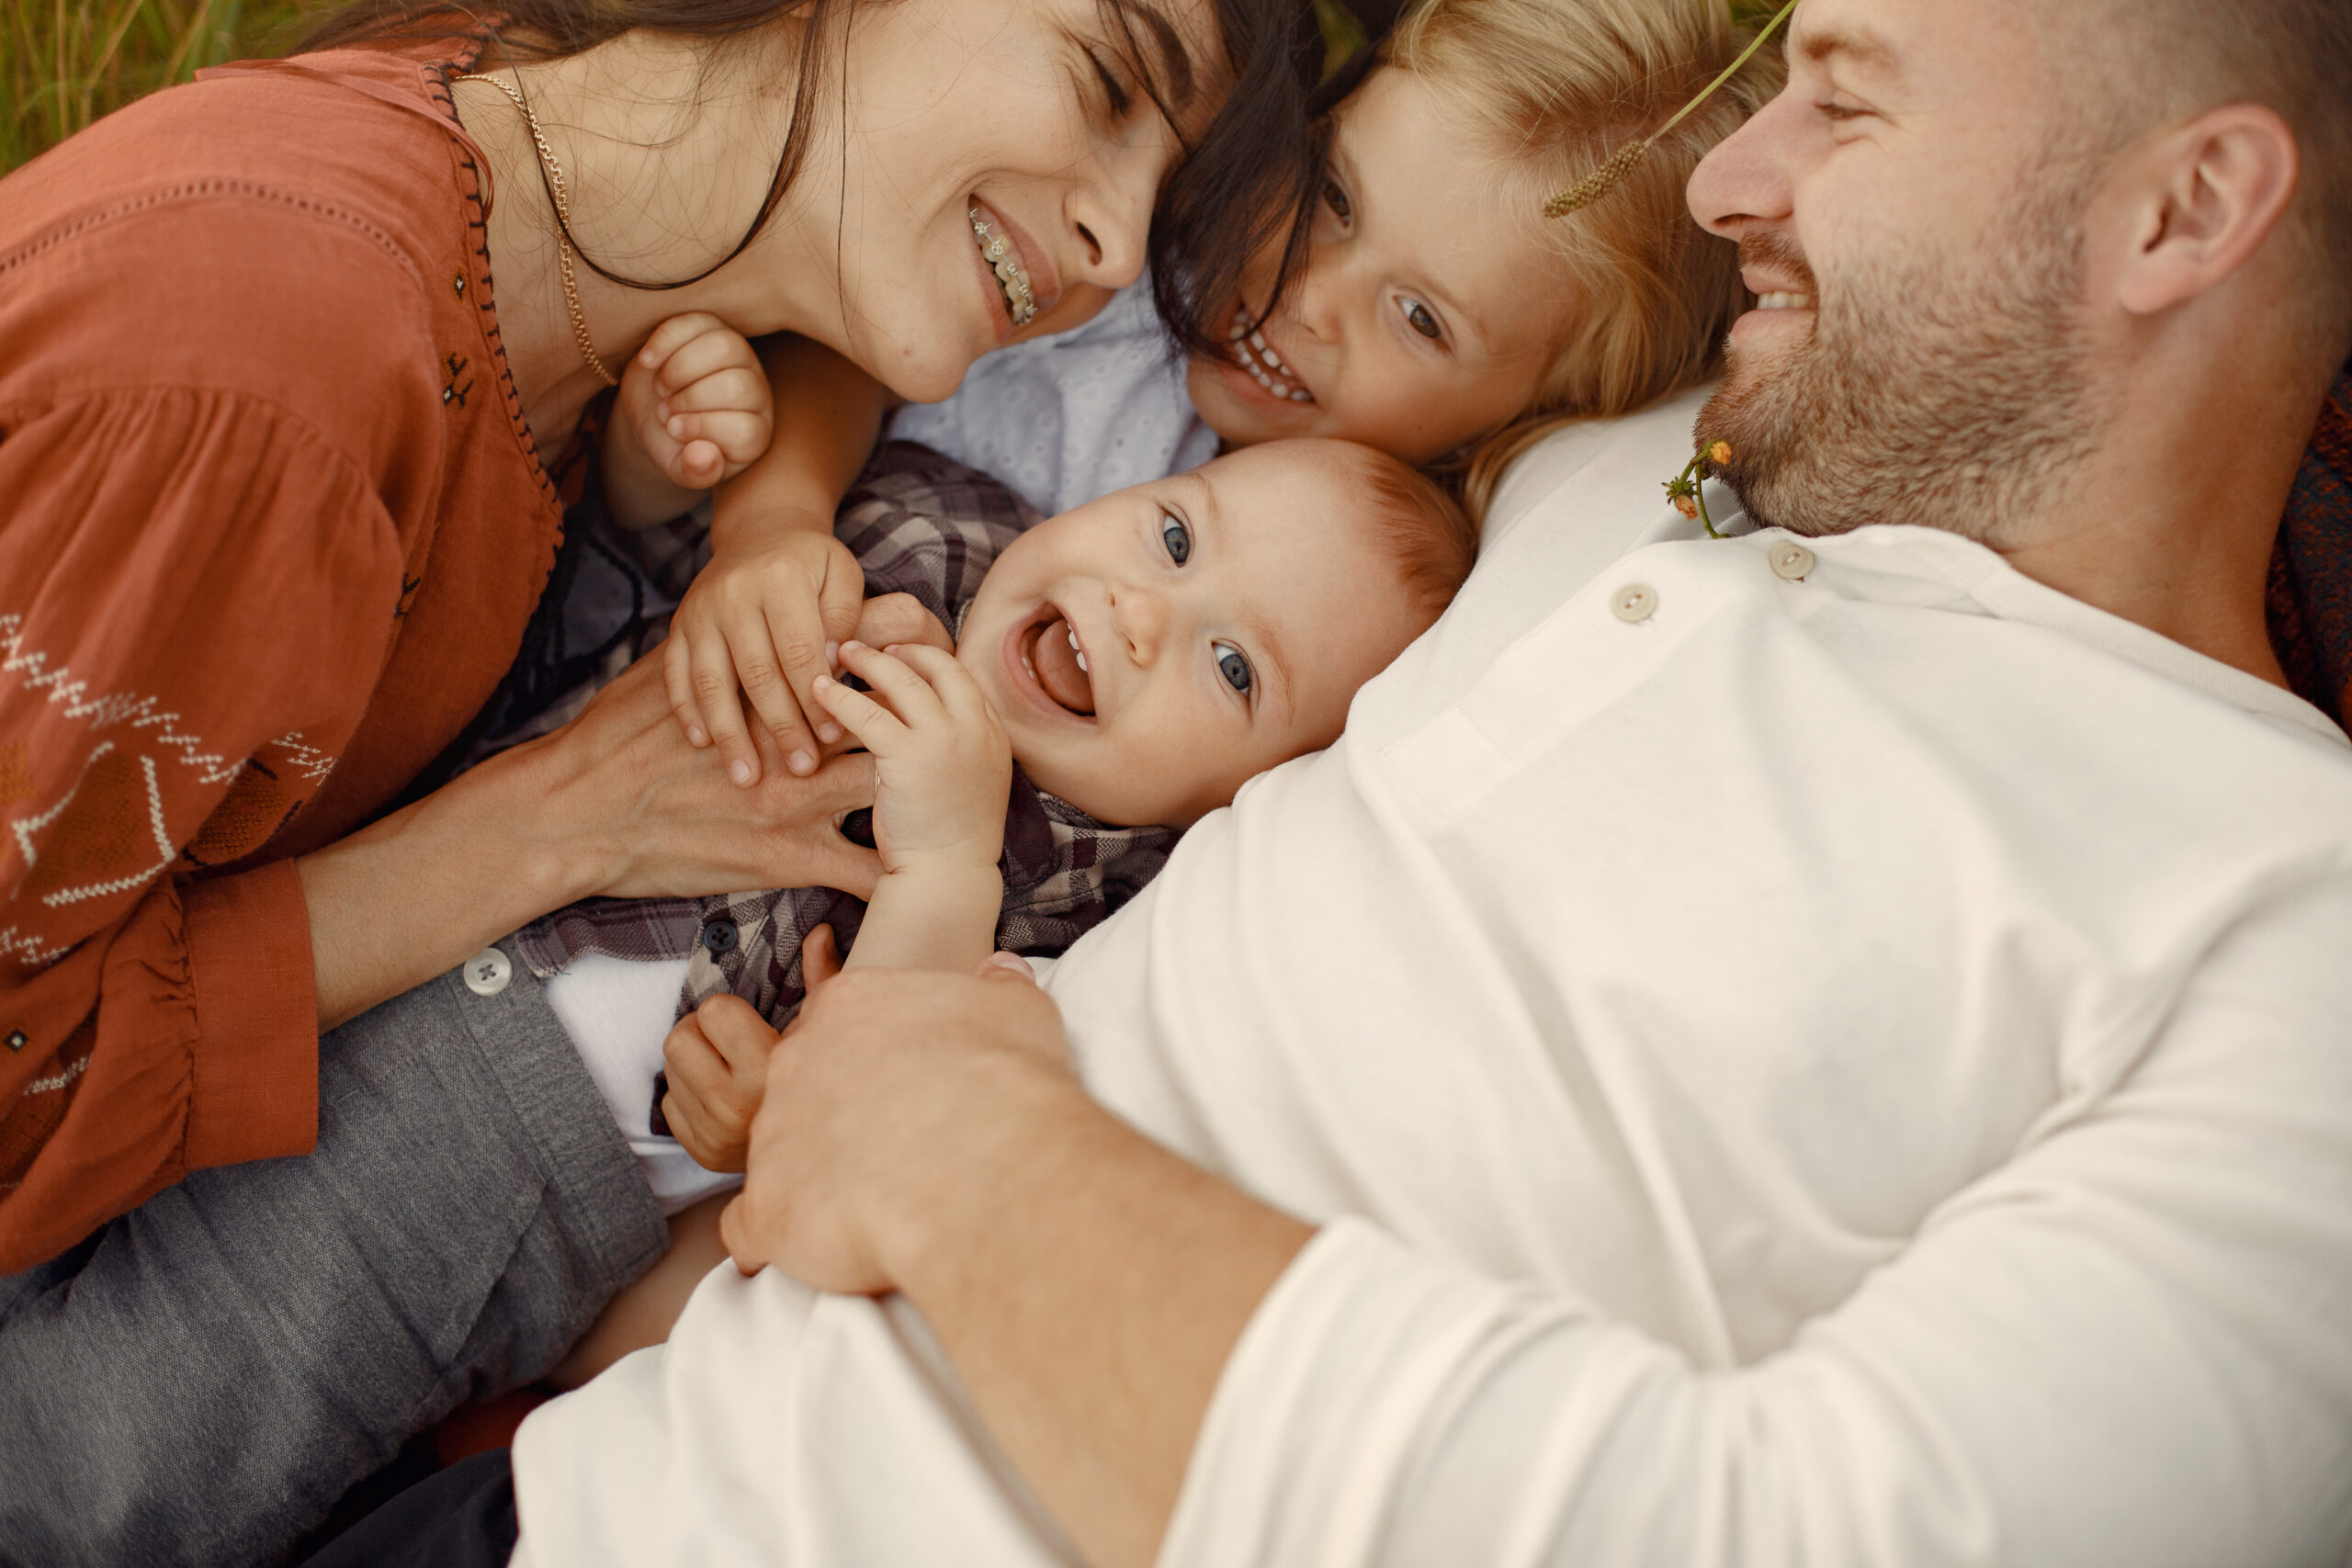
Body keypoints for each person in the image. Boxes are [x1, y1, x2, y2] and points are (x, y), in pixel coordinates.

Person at [300, 0, 2352, 1562]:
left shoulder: (2284, 953)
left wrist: (955, 1146)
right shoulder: (1638, 456)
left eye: (1849, 93)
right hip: (603, 1476)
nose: (1742, 189)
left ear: (2176, 211)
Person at [0, 0, 1313, 1276]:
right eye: (1106, 80)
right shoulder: (283, 390)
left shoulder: (573, 291)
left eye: (1165, 203)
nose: (1113, 244)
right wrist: (555, 820)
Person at [654, 0, 1781, 791]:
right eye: (1333, 195)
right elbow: (847, 365)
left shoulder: (1353, 600)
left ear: (1527, 414)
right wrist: (775, 523)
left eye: (1420, 317)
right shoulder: (1116, 267)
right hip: (688, 613)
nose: (1306, 295)